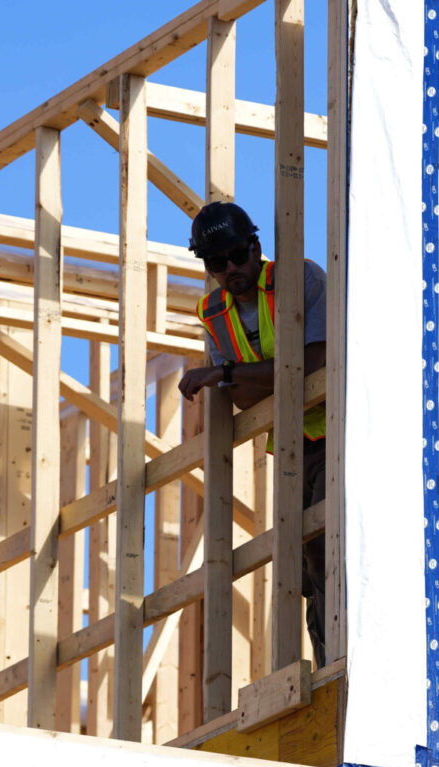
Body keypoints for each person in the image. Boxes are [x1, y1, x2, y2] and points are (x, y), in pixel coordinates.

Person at [178, 201, 330, 663]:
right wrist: (237, 378)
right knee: (305, 567)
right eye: (214, 263)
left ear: (256, 247)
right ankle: (325, 664)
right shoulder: (213, 312)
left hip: (337, 433)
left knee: (331, 547)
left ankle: (343, 663)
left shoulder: (300, 279)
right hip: (290, 447)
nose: (229, 270)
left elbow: (318, 363)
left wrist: (229, 374)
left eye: (236, 256)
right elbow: (246, 399)